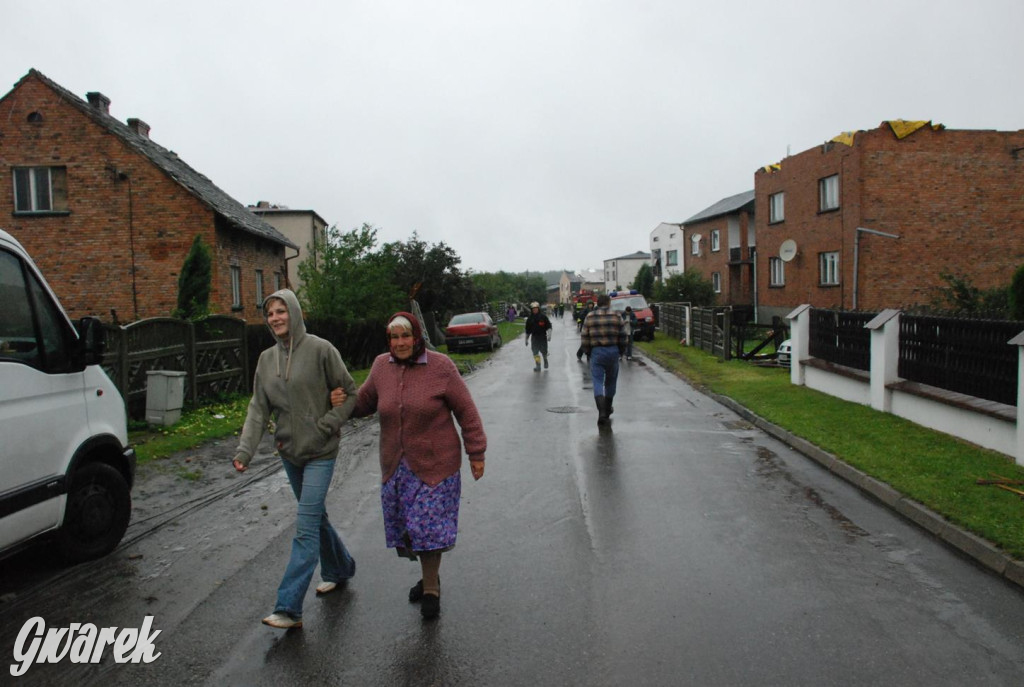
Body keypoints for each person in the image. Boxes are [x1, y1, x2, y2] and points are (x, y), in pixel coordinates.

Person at [339, 312, 486, 620]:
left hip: (436, 465)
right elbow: (364, 402)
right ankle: (429, 575)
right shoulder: (381, 366)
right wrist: (341, 401)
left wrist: (476, 452)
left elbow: (467, 412)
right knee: (410, 531)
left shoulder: (441, 367)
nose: (400, 343)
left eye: (405, 336)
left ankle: (431, 587)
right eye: (394, 337)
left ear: (417, 336)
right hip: (397, 466)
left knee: (427, 530)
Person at [232, 289, 358, 630]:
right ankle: (340, 567)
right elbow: (258, 409)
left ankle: (288, 607)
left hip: (320, 451)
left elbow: (351, 393)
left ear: (294, 313)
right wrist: (245, 450)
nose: (275, 318)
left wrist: (327, 424)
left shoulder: (320, 350)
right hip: (290, 453)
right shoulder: (266, 360)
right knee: (315, 518)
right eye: (270, 313)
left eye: (281, 311)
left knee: (304, 527)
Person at [581, 293, 627, 425]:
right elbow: (623, 335)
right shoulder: (616, 315)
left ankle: (601, 412)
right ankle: (608, 409)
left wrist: (588, 351)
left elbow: (584, 336)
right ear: (608, 303)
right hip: (613, 350)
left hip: (597, 351)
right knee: (611, 382)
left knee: (597, 381)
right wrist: (621, 351)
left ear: (597, 303)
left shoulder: (590, 316)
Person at [524, 301, 553, 371]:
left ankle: (545, 359)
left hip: (542, 337)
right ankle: (538, 365)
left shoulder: (543, 317)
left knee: (544, 351)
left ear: (538, 309)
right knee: (535, 352)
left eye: (536, 308)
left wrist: (549, 335)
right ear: (531, 310)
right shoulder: (529, 319)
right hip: (534, 338)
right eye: (533, 309)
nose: (535, 310)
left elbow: (549, 326)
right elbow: (527, 330)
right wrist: (526, 339)